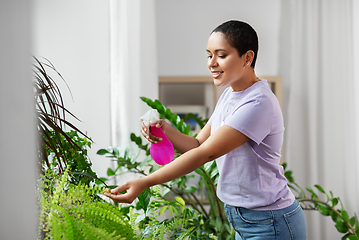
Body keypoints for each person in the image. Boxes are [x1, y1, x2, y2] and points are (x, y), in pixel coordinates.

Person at [104, 20, 307, 239]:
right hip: (246, 219)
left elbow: (205, 154)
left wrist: (145, 182)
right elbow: (198, 144)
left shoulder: (258, 103)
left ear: (247, 58)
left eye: (221, 55)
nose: (212, 63)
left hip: (270, 222)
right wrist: (166, 129)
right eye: (209, 55)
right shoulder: (231, 94)